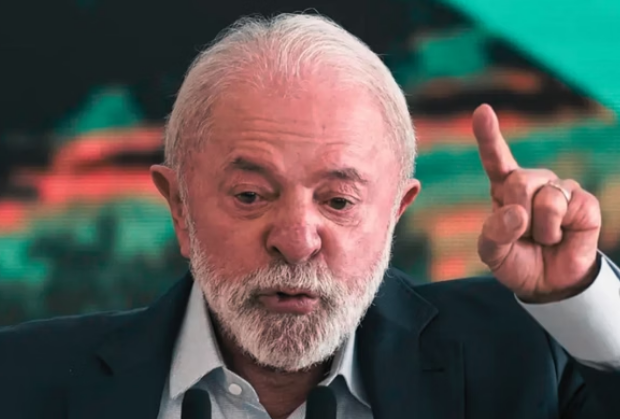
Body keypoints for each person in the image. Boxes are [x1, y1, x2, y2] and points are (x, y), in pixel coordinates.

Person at [1, 13, 620, 419]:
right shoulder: (20, 379)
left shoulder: (523, 354)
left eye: (338, 201)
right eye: (250, 195)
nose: (297, 241)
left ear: (396, 212)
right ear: (179, 208)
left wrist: (574, 291)